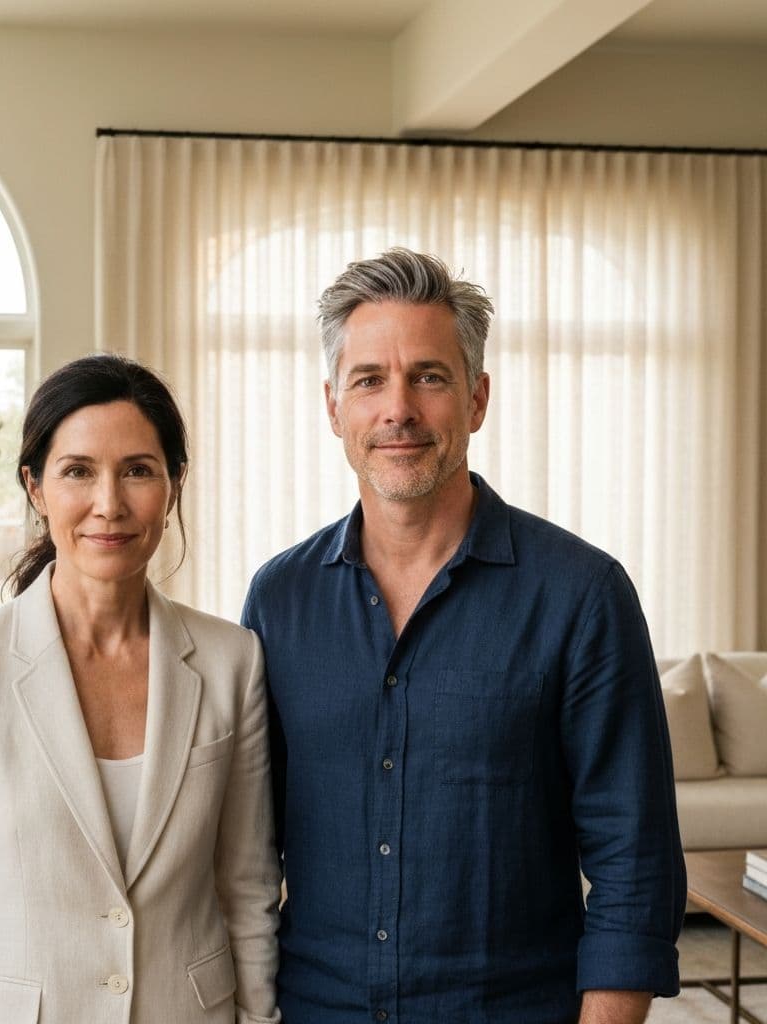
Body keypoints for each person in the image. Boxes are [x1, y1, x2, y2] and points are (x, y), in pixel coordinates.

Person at [241, 248, 686, 1024]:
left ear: (477, 399)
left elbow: (634, 864)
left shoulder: (582, 596)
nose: (398, 409)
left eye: (430, 376)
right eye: (369, 379)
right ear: (332, 406)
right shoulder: (280, 600)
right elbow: (241, 850)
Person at [0, 354, 280, 1024]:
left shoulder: (231, 661)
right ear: (36, 488)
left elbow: (247, 890)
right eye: (78, 471)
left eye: (138, 471)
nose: (109, 505)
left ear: (174, 484)